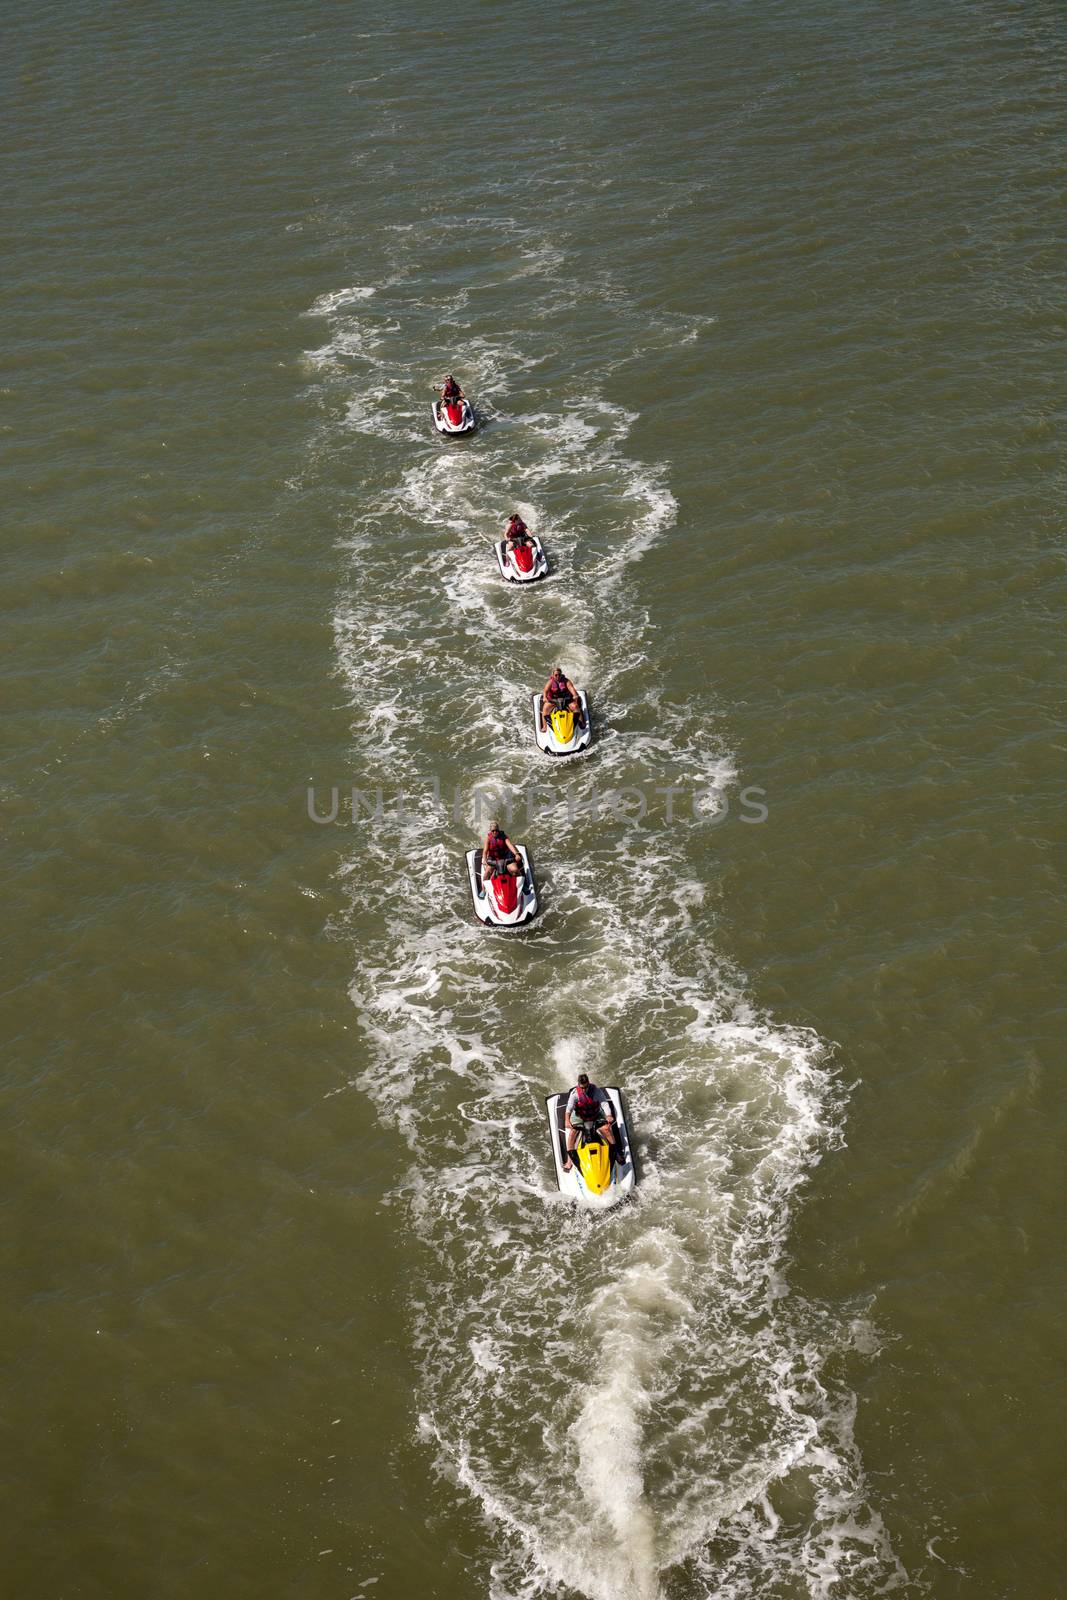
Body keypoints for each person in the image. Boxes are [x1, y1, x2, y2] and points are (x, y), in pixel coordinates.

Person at [562, 1074, 616, 1171]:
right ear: (578, 1085)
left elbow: (604, 1103)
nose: (584, 1090)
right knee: (572, 1133)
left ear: (589, 1083)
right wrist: (567, 1120)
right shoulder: (574, 1093)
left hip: (595, 1114)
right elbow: (569, 1108)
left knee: (607, 1129)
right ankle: (569, 1160)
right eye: (582, 1088)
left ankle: (616, 1154)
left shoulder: (596, 1091)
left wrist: (608, 1115)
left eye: (586, 1087)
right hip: (579, 1116)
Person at [540, 665, 585, 732]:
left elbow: (571, 688)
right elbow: (545, 691)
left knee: (575, 706)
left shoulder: (566, 681)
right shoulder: (550, 682)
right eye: (556, 675)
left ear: (561, 674)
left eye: (559, 674)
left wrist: (575, 695)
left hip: (566, 699)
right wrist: (544, 697)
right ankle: (544, 726)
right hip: (553, 700)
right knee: (545, 708)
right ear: (553, 675)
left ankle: (581, 722)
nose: (558, 676)